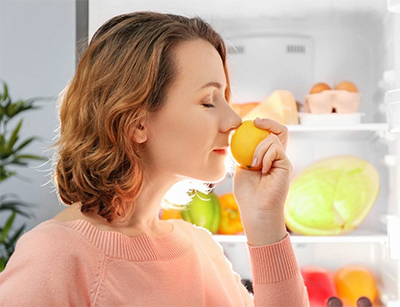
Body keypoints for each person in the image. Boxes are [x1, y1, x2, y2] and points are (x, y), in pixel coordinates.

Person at [0, 11, 309, 307]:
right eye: (208, 102)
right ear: (136, 122)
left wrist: (265, 222)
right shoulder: (55, 256)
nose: (234, 120)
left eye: (226, 98)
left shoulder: (201, 249)